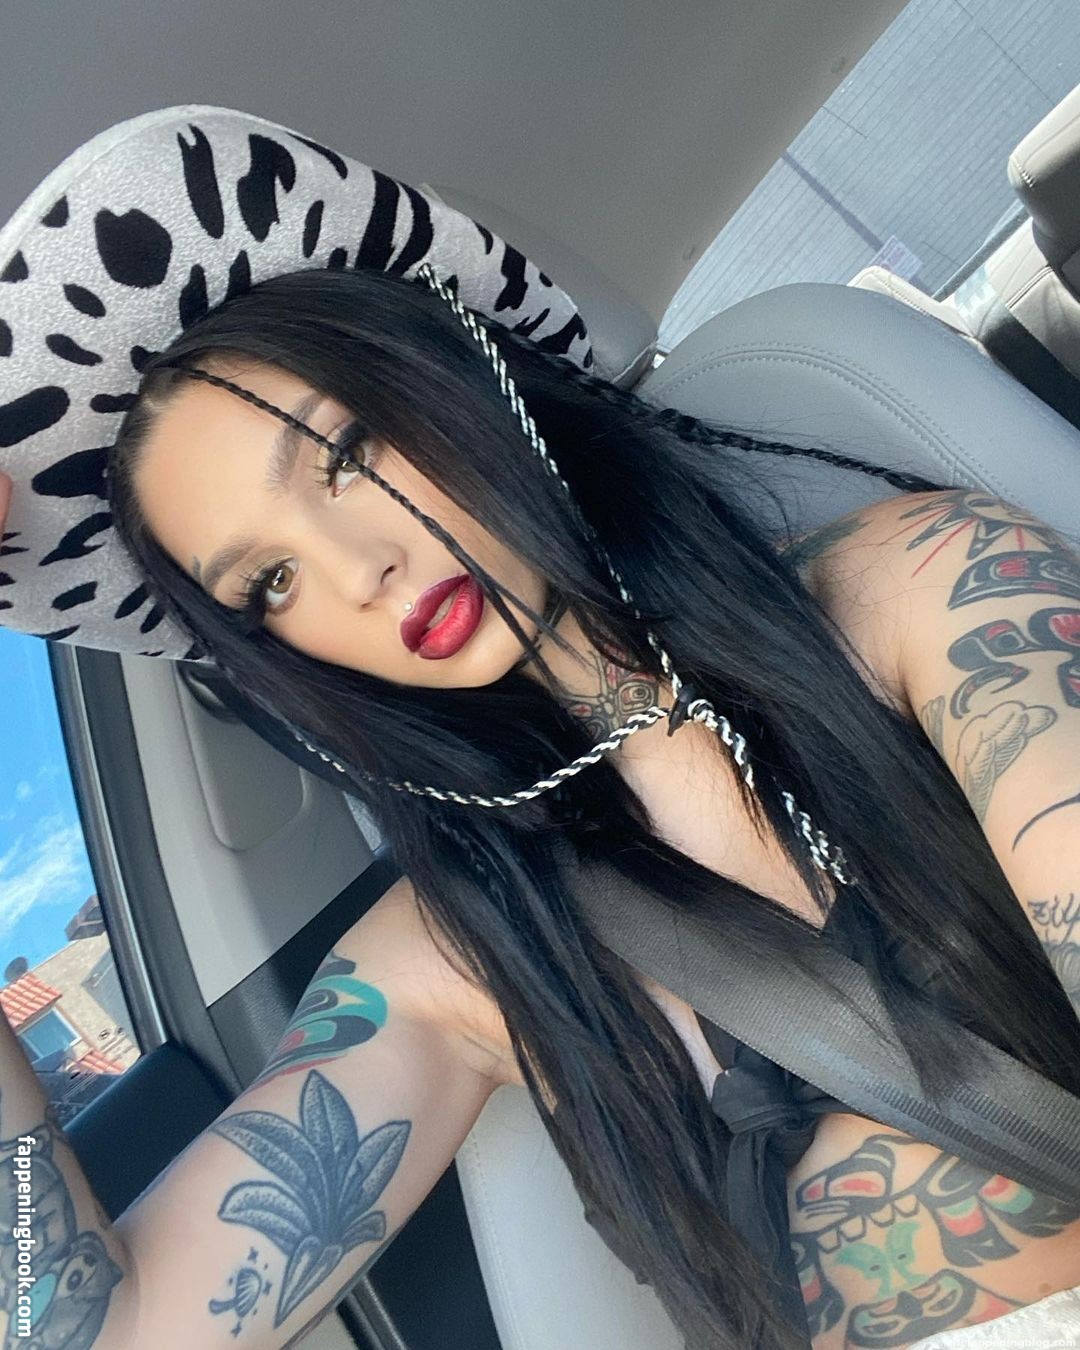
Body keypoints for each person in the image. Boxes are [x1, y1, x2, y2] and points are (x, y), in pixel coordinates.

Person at [1, 107, 1079, 1350]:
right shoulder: (453, 953)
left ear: (459, 372)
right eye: (270, 583)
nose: (356, 570)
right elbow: (79, 1328)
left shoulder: (923, 590)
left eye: (346, 453)